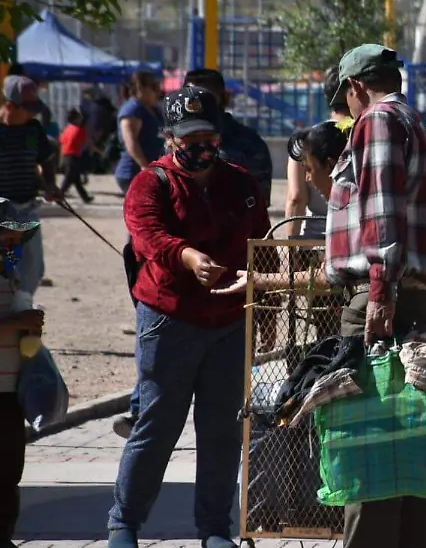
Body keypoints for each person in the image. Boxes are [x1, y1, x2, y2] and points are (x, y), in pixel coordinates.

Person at [107, 86, 269, 548]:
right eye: (189, 137)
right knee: (158, 426)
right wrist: (188, 257)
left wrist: (264, 302)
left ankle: (215, 529)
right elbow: (148, 237)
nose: (199, 147)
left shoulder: (240, 183)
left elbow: (261, 246)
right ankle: (124, 523)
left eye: (208, 137)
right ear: (170, 138)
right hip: (169, 320)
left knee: (221, 431)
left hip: (230, 322)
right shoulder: (150, 184)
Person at [322, 44, 426, 547]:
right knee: (410, 449)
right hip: (415, 296)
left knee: (368, 448)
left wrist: (378, 292)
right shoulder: (416, 122)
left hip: (386, 302)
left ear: (355, 87)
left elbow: (380, 211)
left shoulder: (376, 121)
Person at [0, 198, 44, 548]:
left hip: (9, 389)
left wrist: (30, 331)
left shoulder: (11, 277)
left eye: (16, 241)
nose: (12, 246)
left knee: (9, 470)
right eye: (6, 238)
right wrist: (17, 323)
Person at [0, 75, 61, 299]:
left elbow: (45, 159)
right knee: (8, 265)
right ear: (9, 105)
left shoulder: (33, 129)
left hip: (27, 210)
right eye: (28, 108)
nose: (33, 113)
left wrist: (50, 184)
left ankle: (22, 306)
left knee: (33, 268)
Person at [183, 69, 274, 206]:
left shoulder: (249, 143)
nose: (198, 105)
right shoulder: (175, 142)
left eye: (206, 98)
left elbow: (259, 202)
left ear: (225, 98)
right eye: (190, 99)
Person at [284, 67, 354, 241]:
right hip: (352, 242)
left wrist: (292, 251)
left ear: (327, 98)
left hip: (314, 244)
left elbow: (296, 197)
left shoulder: (307, 142)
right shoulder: (365, 137)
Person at [115, 71, 165, 194]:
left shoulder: (154, 109)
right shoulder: (133, 109)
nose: (158, 92)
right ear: (141, 88)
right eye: (154, 87)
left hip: (153, 171)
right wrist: (144, 166)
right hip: (134, 172)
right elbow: (131, 141)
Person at [58, 108, 94, 203]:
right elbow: (88, 143)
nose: (81, 118)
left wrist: (60, 159)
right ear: (75, 118)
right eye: (79, 117)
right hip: (73, 157)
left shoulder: (66, 129)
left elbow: (62, 143)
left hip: (66, 156)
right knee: (69, 179)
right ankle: (59, 195)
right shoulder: (80, 130)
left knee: (76, 179)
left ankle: (85, 197)